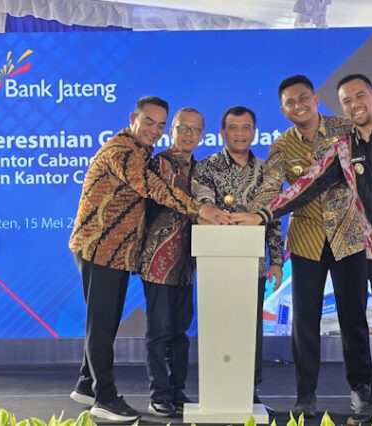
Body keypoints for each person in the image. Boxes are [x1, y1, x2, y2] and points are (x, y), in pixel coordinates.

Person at [238, 74, 372, 422]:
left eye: (360, 96)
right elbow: (306, 185)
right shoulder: (344, 147)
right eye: (347, 101)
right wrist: (262, 214)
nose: (355, 105)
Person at [67, 96, 232, 422]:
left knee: (105, 323)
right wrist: (199, 209)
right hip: (99, 247)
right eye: (149, 122)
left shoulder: (141, 151)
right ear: (133, 119)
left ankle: (86, 384)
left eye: (159, 124)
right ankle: (104, 398)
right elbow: (155, 189)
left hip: (117, 253)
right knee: (101, 326)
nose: (154, 130)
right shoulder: (122, 152)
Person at [249, 75, 372, 418]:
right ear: (283, 110)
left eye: (303, 98)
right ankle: (305, 395)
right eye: (290, 102)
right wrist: (249, 215)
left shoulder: (345, 129)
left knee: (354, 318)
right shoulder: (282, 146)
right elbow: (270, 190)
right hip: (306, 241)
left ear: (315, 98)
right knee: (304, 323)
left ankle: (361, 388)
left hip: (349, 238)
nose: (298, 106)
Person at [190, 106, 283, 412]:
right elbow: (204, 207)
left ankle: (248, 390)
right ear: (222, 132)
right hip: (216, 264)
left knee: (250, 329)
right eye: (233, 127)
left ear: (254, 132)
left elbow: (273, 218)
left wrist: (277, 261)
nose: (240, 133)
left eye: (246, 127)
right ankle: (218, 388)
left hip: (253, 266)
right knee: (219, 326)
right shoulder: (206, 167)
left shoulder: (267, 171)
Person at [139, 107, 205, 418]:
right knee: (159, 331)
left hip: (187, 265)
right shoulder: (157, 164)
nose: (189, 134)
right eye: (183, 128)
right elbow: (163, 199)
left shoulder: (202, 170)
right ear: (172, 131)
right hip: (158, 261)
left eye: (195, 129)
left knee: (181, 331)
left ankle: (178, 391)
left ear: (202, 135)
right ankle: (159, 394)